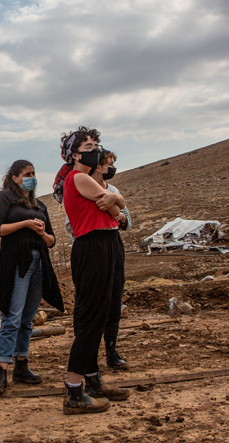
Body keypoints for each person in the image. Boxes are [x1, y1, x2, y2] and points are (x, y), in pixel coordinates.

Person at [54, 127, 130, 414]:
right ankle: (75, 391)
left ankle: (93, 381)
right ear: (74, 154)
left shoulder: (83, 179)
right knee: (91, 320)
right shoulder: (79, 177)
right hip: (93, 247)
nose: (94, 148)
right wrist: (116, 203)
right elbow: (113, 205)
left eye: (96, 143)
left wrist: (116, 203)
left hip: (106, 244)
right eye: (88, 144)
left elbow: (117, 206)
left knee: (103, 313)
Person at [0, 160, 64, 394]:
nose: (31, 177)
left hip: (39, 261)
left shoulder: (40, 204)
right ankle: (2, 370)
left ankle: (21, 364)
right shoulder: (6, 199)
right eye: (27, 174)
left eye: (33, 173)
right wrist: (26, 224)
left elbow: (51, 241)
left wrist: (41, 232)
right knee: (12, 316)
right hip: (17, 263)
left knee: (27, 318)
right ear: (15, 177)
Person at [64, 150, 131, 371]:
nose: (109, 168)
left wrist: (116, 201)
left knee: (114, 297)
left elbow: (125, 218)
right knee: (91, 304)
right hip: (91, 245)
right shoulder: (81, 184)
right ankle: (86, 355)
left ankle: (111, 348)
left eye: (111, 164)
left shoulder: (111, 190)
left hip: (112, 242)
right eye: (107, 164)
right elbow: (71, 222)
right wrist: (115, 210)